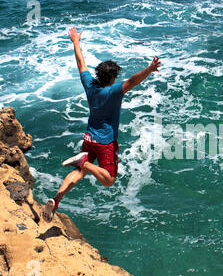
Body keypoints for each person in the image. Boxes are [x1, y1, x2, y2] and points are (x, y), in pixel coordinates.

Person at [42, 27, 161, 222]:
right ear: (113, 78)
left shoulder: (90, 85)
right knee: (109, 180)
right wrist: (149, 69)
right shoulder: (113, 92)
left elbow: (81, 63)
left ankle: (56, 200)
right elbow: (132, 81)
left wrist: (75, 41)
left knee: (78, 173)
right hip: (104, 142)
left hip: (89, 138)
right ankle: (85, 162)